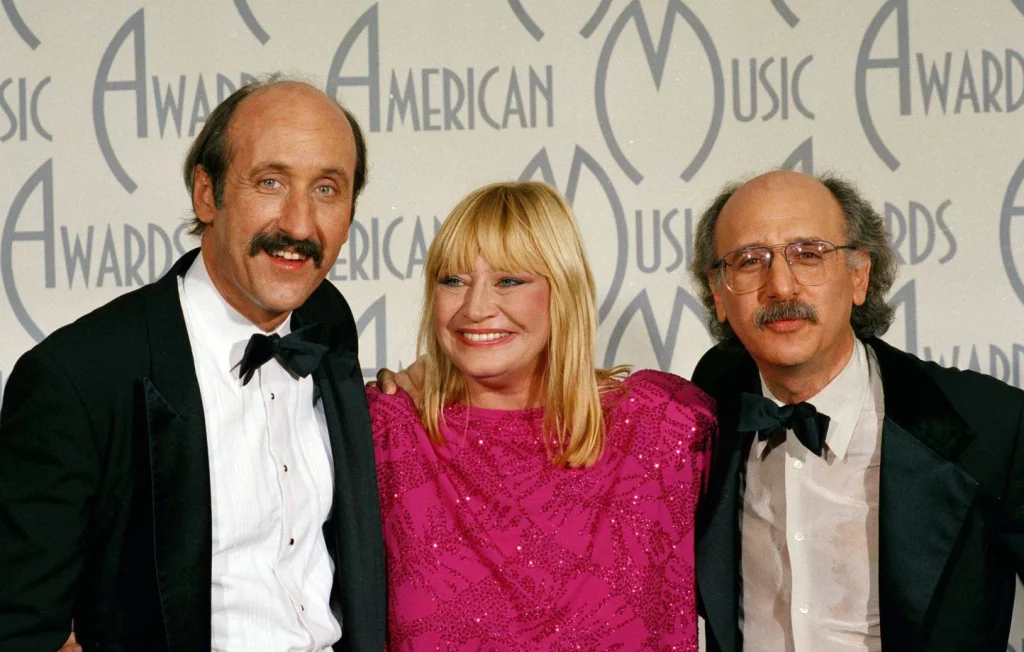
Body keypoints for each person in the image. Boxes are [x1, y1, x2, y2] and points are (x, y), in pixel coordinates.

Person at [0, 77, 386, 651]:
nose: (301, 225)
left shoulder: (327, 322)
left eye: (327, 189)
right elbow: (20, 627)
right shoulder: (79, 377)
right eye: (271, 182)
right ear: (208, 193)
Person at [366, 181, 715, 650]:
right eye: (453, 280)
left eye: (509, 281)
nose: (476, 308)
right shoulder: (389, 434)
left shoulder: (661, 425)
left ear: (564, 291)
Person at [688, 170, 1024, 652]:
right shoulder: (704, 411)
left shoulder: (989, 424)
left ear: (859, 276)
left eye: (809, 255)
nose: (781, 286)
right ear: (719, 294)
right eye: (749, 261)